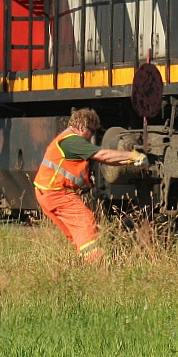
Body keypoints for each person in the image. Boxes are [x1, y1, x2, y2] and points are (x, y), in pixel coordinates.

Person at [32, 108, 148, 263]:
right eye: (91, 130)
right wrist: (132, 155)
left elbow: (105, 159)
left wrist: (130, 161)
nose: (92, 135)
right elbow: (102, 155)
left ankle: (86, 262)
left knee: (76, 234)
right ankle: (97, 264)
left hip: (46, 193)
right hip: (58, 193)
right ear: (82, 127)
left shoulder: (66, 139)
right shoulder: (72, 141)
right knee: (86, 222)